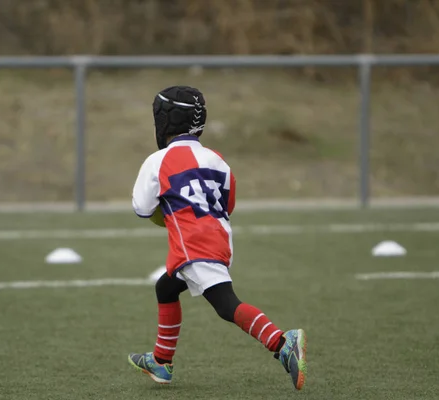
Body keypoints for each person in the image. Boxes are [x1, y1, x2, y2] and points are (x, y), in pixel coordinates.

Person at [128, 85, 307, 390]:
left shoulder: (157, 161)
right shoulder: (217, 159)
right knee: (166, 287)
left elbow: (142, 208)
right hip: (220, 237)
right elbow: (228, 204)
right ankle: (161, 360)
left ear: (166, 120)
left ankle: (281, 342)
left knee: (226, 305)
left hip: (193, 244)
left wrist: (170, 210)